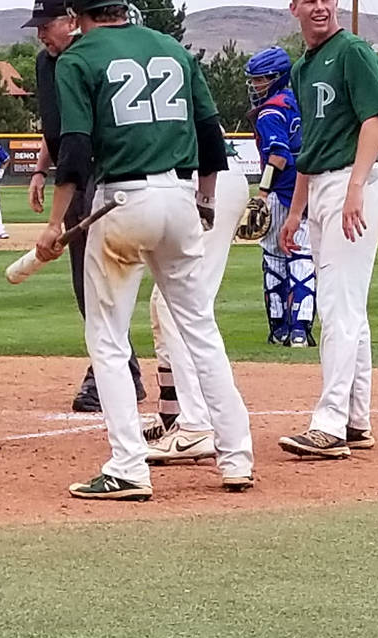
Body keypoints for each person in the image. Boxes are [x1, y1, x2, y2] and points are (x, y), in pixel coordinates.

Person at [34, 0, 254, 500]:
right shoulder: (172, 47)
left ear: (78, 12)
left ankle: (128, 467)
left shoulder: (78, 58)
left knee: (108, 338)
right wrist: (205, 200)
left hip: (123, 203)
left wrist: (53, 223)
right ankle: (237, 457)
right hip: (180, 197)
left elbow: (73, 150)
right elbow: (211, 138)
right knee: (200, 329)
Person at [277, 0, 378, 459]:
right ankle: (355, 418)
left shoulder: (353, 51)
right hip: (323, 183)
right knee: (348, 308)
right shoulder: (302, 68)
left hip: (351, 180)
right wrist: (295, 211)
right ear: (294, 9)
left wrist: (356, 187)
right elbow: (310, 144)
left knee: (337, 307)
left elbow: (375, 120)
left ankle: (329, 425)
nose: (321, 6)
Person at [24, 0, 146, 413]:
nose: (41, 33)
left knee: (102, 279)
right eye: (36, 26)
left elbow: (85, 132)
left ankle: (113, 370)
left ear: (73, 20)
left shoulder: (88, 58)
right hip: (74, 174)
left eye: (48, 24)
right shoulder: (48, 64)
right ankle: (121, 366)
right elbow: (59, 128)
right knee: (84, 284)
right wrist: (41, 170)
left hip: (104, 173)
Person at [144, 138, 251, 462]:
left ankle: (195, 426)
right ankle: (174, 414)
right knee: (164, 303)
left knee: (178, 305)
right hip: (213, 177)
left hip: (198, 180)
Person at [245, 46, 316, 348]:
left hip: (280, 193)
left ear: (275, 78)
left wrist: (261, 193)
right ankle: (301, 329)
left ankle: (280, 329)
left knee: (275, 259)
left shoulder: (271, 111)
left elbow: (278, 155)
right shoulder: (298, 101)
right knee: (303, 258)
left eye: (259, 79)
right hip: (306, 189)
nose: (255, 85)